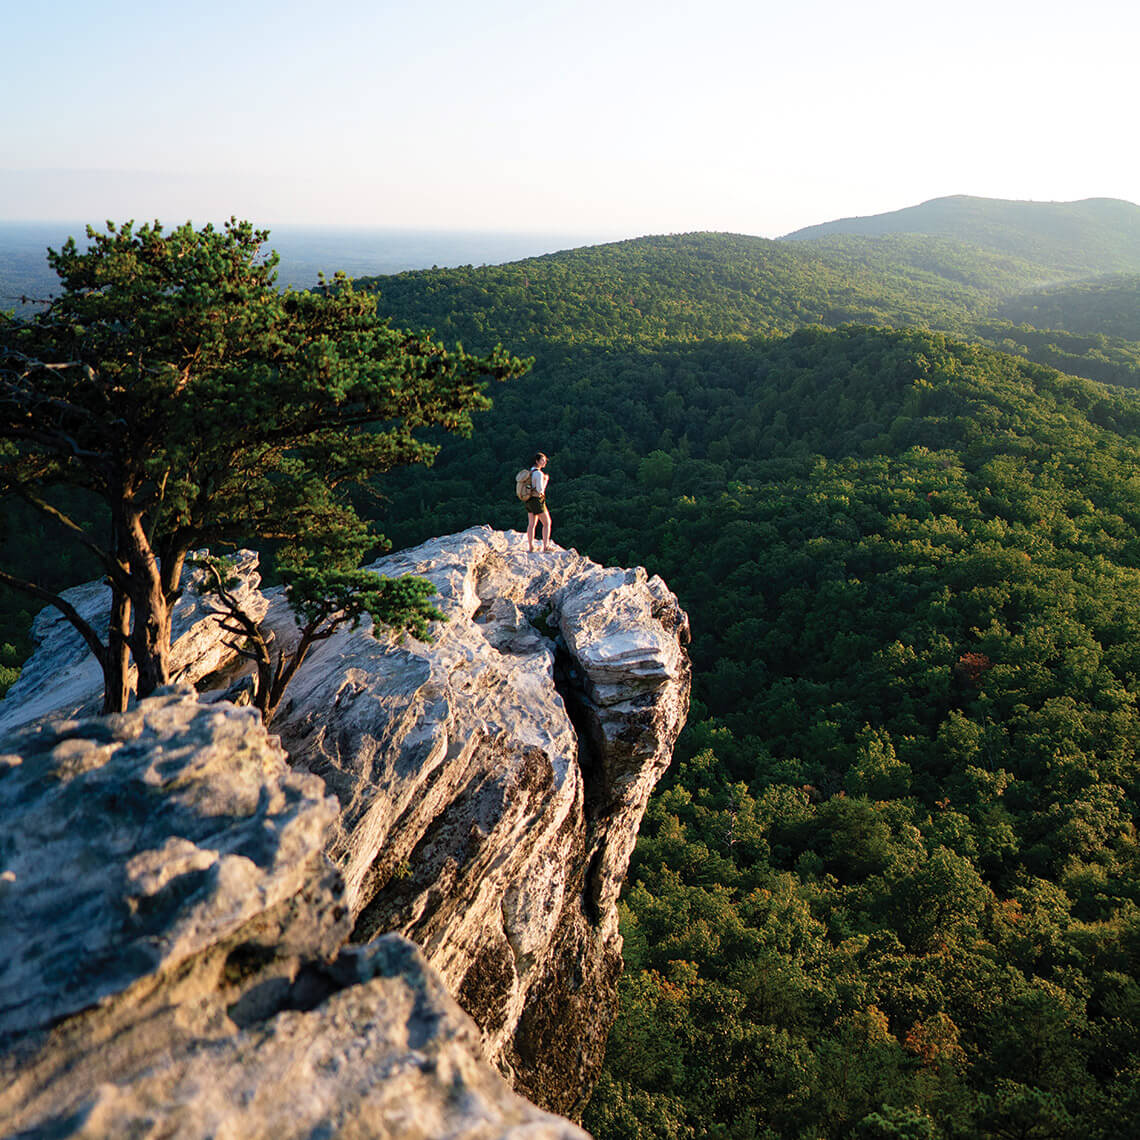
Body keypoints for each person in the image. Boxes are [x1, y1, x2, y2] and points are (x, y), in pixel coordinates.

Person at [525, 452, 552, 552]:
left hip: (528, 499)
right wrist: (546, 480)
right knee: (547, 523)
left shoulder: (530, 472)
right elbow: (540, 490)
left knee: (531, 524)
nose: (544, 462)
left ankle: (531, 547)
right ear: (537, 461)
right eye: (542, 460)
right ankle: (545, 547)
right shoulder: (539, 474)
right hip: (537, 500)